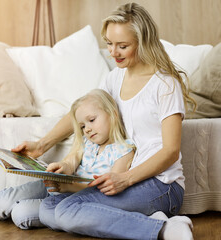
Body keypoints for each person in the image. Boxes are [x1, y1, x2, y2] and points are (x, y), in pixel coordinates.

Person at [12, 3, 195, 240]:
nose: (113, 52)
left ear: (144, 41)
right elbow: (82, 111)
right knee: (48, 211)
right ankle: (150, 220)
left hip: (161, 185)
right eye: (109, 43)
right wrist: (42, 145)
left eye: (123, 46)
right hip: (125, 179)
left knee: (65, 211)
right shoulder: (115, 77)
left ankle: (164, 229)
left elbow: (170, 151)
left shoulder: (165, 84)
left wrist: (125, 179)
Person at [0, 89, 135, 230]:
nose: (87, 129)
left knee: (21, 214)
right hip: (58, 185)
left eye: (92, 120)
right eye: (82, 126)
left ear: (113, 114)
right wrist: (62, 167)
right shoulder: (88, 143)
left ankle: (10, 208)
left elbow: (108, 190)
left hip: (75, 197)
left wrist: (69, 187)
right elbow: (71, 162)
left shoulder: (124, 150)